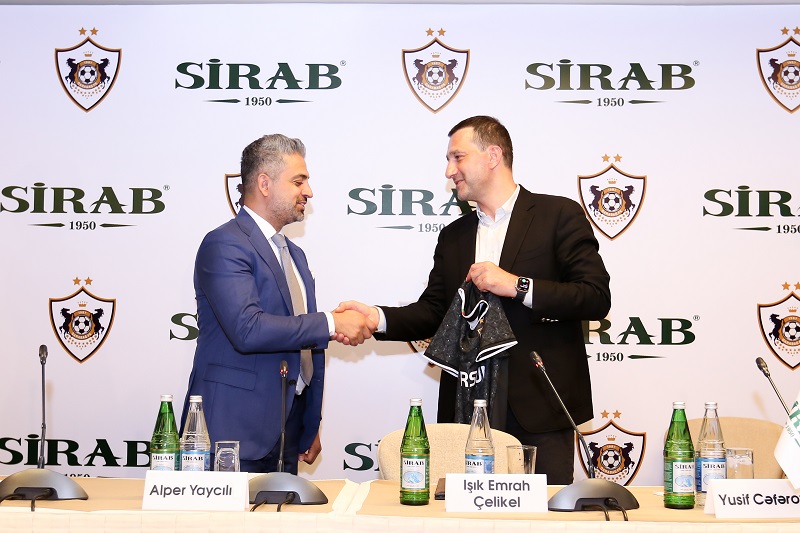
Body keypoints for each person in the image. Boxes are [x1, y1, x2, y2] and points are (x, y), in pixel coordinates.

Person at [338, 116, 610, 484]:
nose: (449, 171)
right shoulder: (454, 235)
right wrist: (376, 318)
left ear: (493, 156)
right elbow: (434, 311)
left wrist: (517, 285)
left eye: (458, 157)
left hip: (539, 409)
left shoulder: (558, 215)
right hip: (466, 408)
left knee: (542, 513)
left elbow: (595, 296)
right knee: (464, 512)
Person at [182, 134, 374, 474]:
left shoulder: (294, 255)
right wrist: (331, 323)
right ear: (264, 184)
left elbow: (303, 345)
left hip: (288, 434)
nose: (309, 192)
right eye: (298, 181)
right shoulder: (224, 244)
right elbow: (248, 329)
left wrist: (309, 421)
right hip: (233, 435)